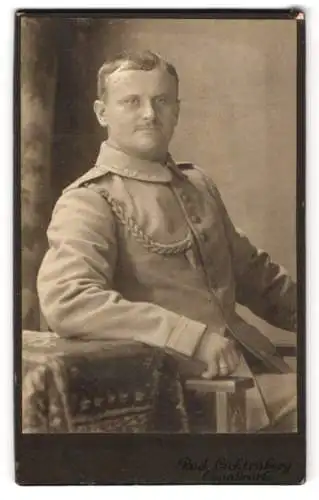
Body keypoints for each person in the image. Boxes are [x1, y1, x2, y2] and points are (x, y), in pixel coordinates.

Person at [37, 50, 297, 432]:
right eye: (131, 102)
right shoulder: (89, 199)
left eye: (161, 100)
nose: (149, 114)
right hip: (180, 394)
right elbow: (68, 299)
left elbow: (259, 279)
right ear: (101, 112)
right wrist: (191, 338)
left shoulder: (197, 186)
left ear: (177, 109)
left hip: (254, 372)